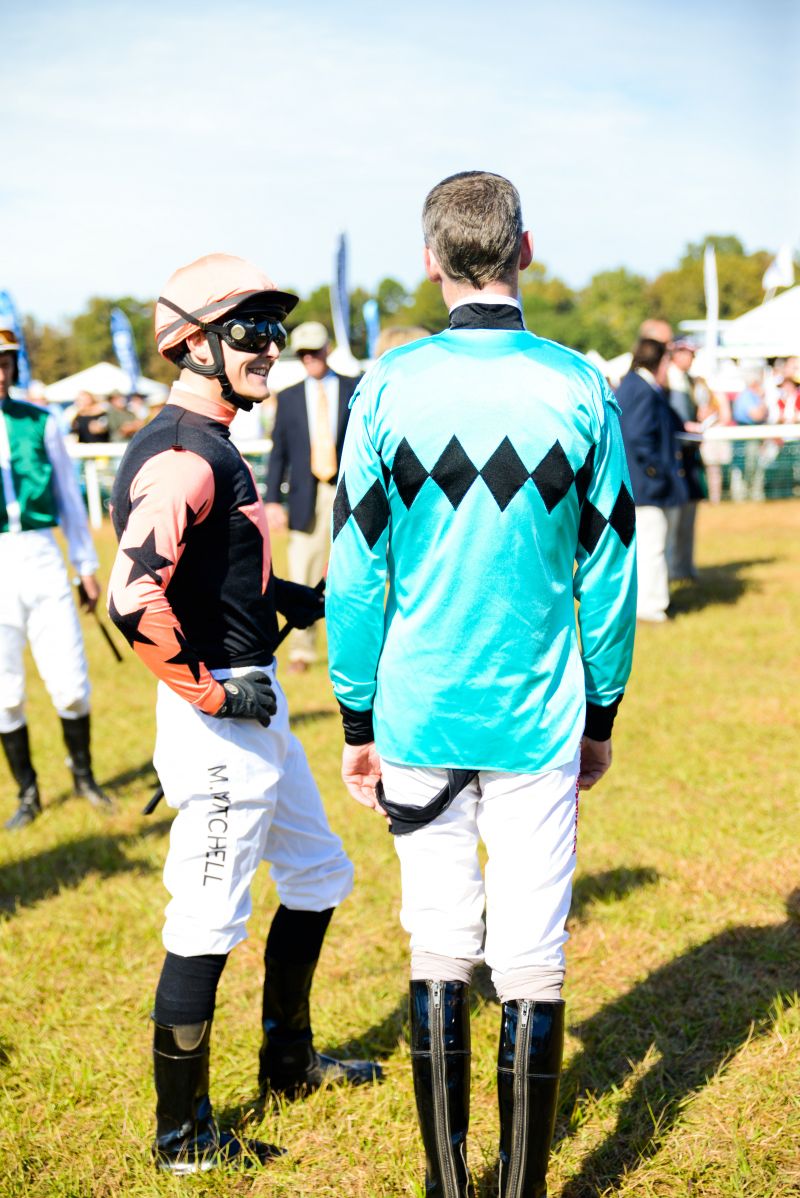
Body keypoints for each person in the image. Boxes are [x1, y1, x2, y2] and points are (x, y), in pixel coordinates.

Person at [325, 172, 637, 1198]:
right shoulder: (581, 386)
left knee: (437, 941)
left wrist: (354, 713)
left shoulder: (385, 386)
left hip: (417, 710)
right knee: (530, 954)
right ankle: (519, 1191)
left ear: (429, 260)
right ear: (526, 250)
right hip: (538, 712)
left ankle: (449, 1184)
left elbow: (358, 567)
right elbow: (611, 566)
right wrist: (601, 712)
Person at [107, 254, 379, 1175]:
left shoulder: (217, 438)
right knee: (206, 920)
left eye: (273, 328)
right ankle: (182, 1139)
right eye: (249, 329)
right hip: (222, 717)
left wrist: (286, 596)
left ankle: (289, 1063)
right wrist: (213, 692)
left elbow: (209, 570)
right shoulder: (182, 452)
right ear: (190, 344)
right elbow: (131, 597)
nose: (269, 346)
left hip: (251, 701)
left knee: (319, 873)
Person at [0, 322, 110, 829]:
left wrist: (85, 565)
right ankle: (28, 791)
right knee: (5, 692)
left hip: (42, 555)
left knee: (69, 683)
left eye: (5, 363)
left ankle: (84, 775)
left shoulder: (40, 420)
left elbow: (68, 496)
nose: (0, 373)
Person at [264, 321, 358, 672]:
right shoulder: (287, 397)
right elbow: (278, 453)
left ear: (327, 349)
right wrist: (272, 499)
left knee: (349, 570)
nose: (309, 359)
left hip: (348, 492)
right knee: (302, 570)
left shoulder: (355, 389)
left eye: (314, 351)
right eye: (303, 353)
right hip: (305, 497)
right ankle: (302, 651)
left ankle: (349, 647)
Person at [617, 338, 688, 622]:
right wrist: (657, 473)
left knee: (650, 545)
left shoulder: (636, 385)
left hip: (642, 483)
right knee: (653, 546)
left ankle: (651, 602)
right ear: (659, 361)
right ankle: (651, 606)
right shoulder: (642, 389)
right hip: (647, 486)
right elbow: (638, 437)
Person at [666, 337, 705, 580]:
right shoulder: (670, 380)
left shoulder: (689, 381)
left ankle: (684, 567)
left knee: (688, 516)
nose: (690, 358)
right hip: (676, 458)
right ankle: (674, 570)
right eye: (686, 353)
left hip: (689, 456)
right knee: (674, 521)